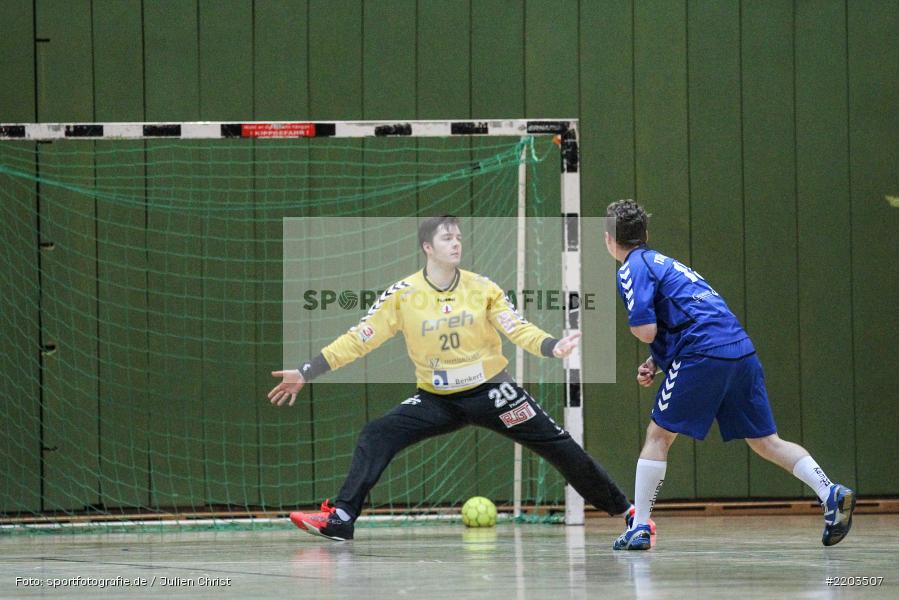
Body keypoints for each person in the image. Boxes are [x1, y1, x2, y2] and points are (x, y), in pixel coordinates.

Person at [269, 215, 638, 541]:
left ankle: (628, 513)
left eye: (459, 236)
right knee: (377, 433)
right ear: (428, 247)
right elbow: (358, 339)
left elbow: (518, 328)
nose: (456, 242)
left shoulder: (483, 288)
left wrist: (551, 345)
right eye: (447, 237)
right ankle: (342, 518)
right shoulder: (403, 296)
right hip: (436, 400)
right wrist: (306, 371)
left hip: (495, 392)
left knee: (560, 446)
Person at [604, 199, 856, 550]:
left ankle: (640, 527)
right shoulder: (668, 264)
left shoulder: (631, 267)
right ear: (646, 233)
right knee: (767, 441)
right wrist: (658, 361)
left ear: (609, 240)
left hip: (701, 353)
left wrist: (651, 344)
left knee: (658, 436)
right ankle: (830, 492)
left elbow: (646, 329)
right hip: (739, 350)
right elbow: (691, 315)